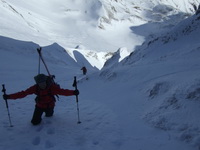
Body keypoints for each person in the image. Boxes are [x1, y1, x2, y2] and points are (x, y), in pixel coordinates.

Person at [3, 74, 79, 125]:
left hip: (50, 105)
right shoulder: (35, 88)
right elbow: (23, 93)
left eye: (43, 82)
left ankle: (49, 112)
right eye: (40, 83)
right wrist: (9, 97)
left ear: (46, 81)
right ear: (37, 83)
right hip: (39, 106)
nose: (42, 84)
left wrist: (73, 92)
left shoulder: (52, 87)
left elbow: (63, 92)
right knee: (34, 122)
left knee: (49, 116)